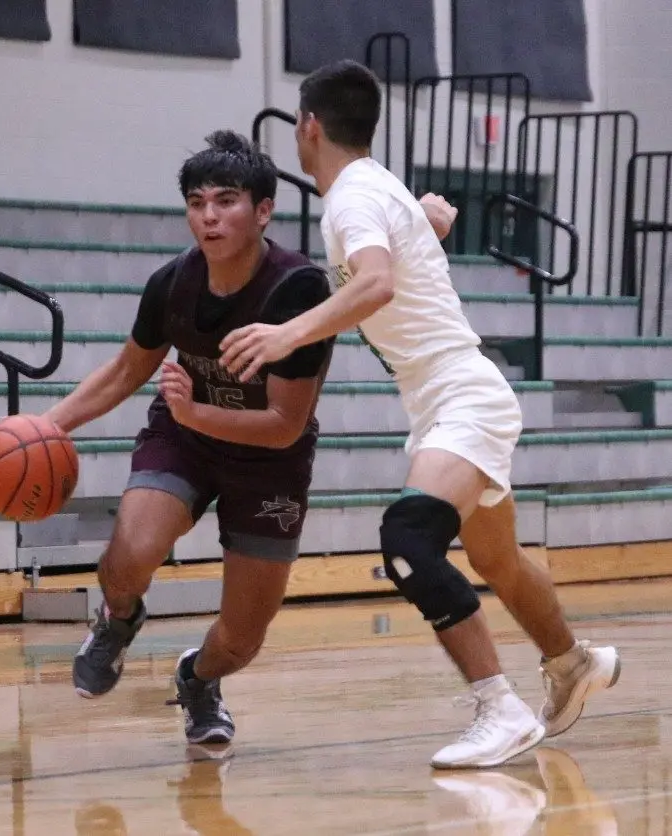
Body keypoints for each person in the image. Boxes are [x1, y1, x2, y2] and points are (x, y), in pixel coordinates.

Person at [218, 60, 621, 769]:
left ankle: (498, 708)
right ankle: (571, 662)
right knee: (497, 558)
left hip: (462, 396)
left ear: (308, 126)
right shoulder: (377, 188)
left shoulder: (352, 199)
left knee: (409, 539)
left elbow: (375, 283)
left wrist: (285, 334)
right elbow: (391, 265)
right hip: (452, 396)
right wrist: (422, 224)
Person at [43, 130, 333, 745]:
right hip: (186, 438)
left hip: (269, 459)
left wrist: (196, 411)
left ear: (263, 211)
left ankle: (198, 680)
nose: (209, 216)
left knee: (242, 639)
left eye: (226, 201)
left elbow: (284, 423)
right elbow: (126, 370)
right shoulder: (172, 282)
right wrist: (48, 426)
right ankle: (119, 619)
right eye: (197, 203)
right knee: (129, 555)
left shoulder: (298, 290)